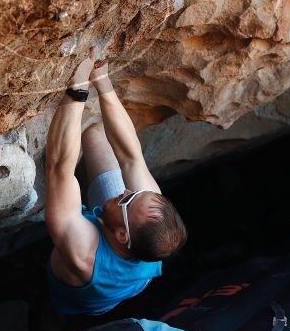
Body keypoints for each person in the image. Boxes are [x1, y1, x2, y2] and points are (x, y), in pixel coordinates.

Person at [45, 55, 187, 315]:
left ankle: (56, 318)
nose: (126, 190)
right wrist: (102, 81)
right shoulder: (149, 222)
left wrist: (77, 91)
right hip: (126, 264)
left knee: (62, 308)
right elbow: (130, 156)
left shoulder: (83, 254)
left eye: (128, 199)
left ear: (123, 235)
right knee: (97, 134)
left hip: (81, 299)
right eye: (137, 194)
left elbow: (58, 171)